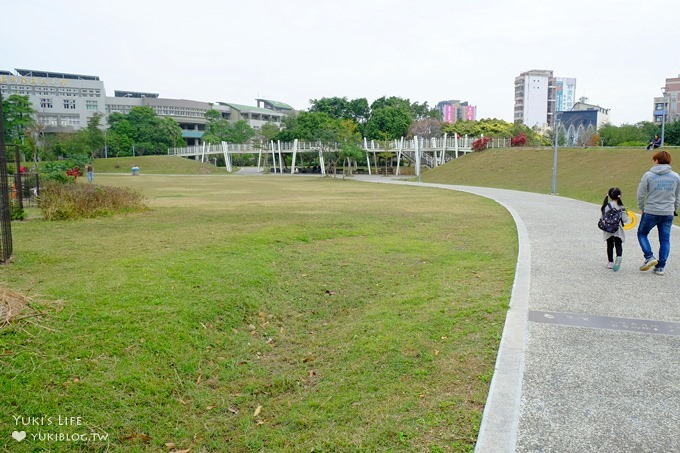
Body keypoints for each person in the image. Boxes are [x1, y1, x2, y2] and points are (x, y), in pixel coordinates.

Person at [636, 150, 680, 275]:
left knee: (642, 233)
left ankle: (649, 256)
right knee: (665, 240)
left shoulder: (648, 175)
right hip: (668, 212)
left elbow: (641, 193)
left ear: (656, 160)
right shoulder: (676, 177)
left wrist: (641, 207)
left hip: (651, 210)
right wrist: (675, 209)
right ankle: (660, 267)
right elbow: (678, 196)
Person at [601, 187, 630, 271]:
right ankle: (619, 257)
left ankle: (610, 262)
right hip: (618, 229)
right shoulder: (621, 207)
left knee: (609, 245)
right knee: (618, 244)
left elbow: (603, 217)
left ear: (610, 196)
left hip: (608, 229)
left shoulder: (607, 205)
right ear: (619, 196)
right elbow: (625, 220)